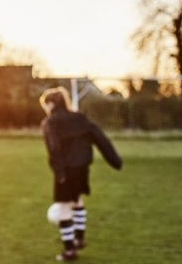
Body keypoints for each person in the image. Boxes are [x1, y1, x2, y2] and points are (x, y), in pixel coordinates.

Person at [40, 86, 122, 261]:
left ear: (51, 103)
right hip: (83, 167)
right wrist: (115, 160)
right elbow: (100, 138)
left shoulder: (51, 122)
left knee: (63, 207)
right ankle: (79, 238)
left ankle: (69, 251)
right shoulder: (80, 118)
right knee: (77, 199)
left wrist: (59, 173)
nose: (45, 110)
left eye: (45, 105)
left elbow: (54, 149)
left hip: (66, 169)